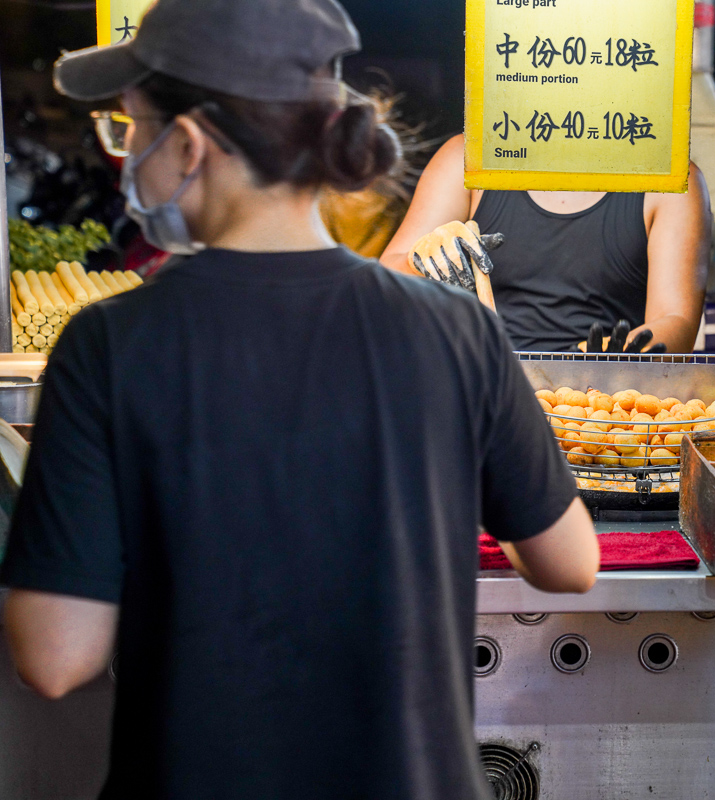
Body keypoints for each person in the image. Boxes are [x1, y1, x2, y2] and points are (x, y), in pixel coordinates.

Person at [0, 2, 599, 799]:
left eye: (131, 129)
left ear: (188, 142)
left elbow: (54, 655)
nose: (128, 155)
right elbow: (568, 562)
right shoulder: (457, 331)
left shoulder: (109, 347)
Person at [380, 135, 713, 353]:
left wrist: (616, 360)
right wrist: (424, 261)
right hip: (479, 386)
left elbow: (676, 320)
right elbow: (388, 276)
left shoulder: (670, 181)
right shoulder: (467, 160)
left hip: (599, 410)